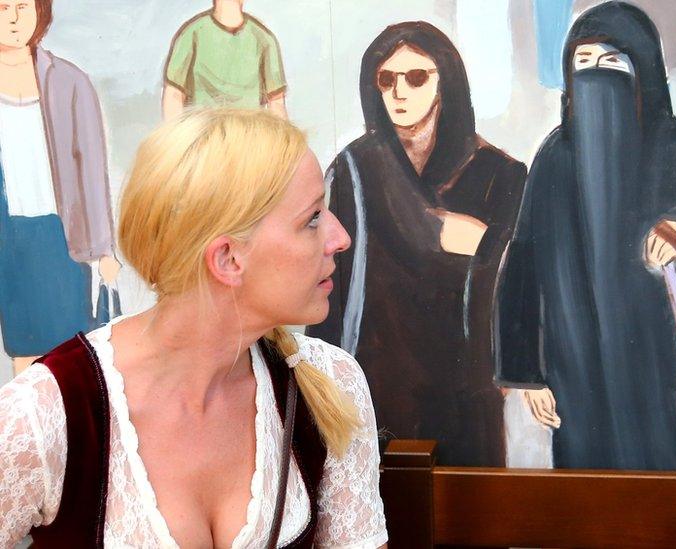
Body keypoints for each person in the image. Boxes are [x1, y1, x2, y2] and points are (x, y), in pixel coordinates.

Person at [0, 110, 387, 547]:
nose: (339, 238)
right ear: (228, 260)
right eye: (312, 218)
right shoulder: (43, 414)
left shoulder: (327, 382)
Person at [494, 1, 676, 471]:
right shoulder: (554, 155)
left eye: (612, 62)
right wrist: (525, 373)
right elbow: (523, 261)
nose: (595, 75)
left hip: (662, 356)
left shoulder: (674, 145)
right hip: (575, 357)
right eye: (583, 63)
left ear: (642, 71)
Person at [306, 22, 526, 467]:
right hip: (376, 373)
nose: (399, 93)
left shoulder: (500, 173)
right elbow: (330, 274)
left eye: (416, 77)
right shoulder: (355, 167)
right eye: (386, 80)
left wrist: (483, 245)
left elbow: (516, 277)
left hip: (465, 378)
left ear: (446, 80)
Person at [0, 0, 120, 376]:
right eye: (3, 8)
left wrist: (103, 249)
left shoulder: (69, 81)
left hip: (63, 238)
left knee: (72, 355)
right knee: (24, 355)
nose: (15, 19)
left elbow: (92, 171)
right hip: (8, 238)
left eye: (23, 6)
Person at [162, 0, 287, 120]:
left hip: (249, 135)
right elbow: (174, 94)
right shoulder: (192, 33)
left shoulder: (264, 39)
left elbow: (276, 101)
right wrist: (181, 138)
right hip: (203, 133)